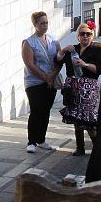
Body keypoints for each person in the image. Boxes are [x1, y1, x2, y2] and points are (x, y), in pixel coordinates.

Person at [56, 22, 101, 156]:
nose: (85, 36)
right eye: (82, 34)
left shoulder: (97, 50)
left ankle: (98, 147)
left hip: (88, 89)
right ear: (78, 36)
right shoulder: (72, 49)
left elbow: (98, 69)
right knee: (76, 117)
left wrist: (85, 64)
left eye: (88, 34)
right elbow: (58, 58)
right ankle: (80, 147)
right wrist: (64, 49)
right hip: (73, 87)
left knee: (88, 119)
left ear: (92, 35)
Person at [21, 11, 61, 153]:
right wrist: (45, 77)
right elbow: (30, 64)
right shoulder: (29, 42)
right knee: (36, 109)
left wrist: (53, 75)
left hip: (50, 80)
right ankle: (31, 141)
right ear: (35, 25)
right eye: (41, 23)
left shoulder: (53, 40)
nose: (44, 26)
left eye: (46, 23)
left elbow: (59, 59)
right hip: (34, 82)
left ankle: (41, 139)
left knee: (46, 110)